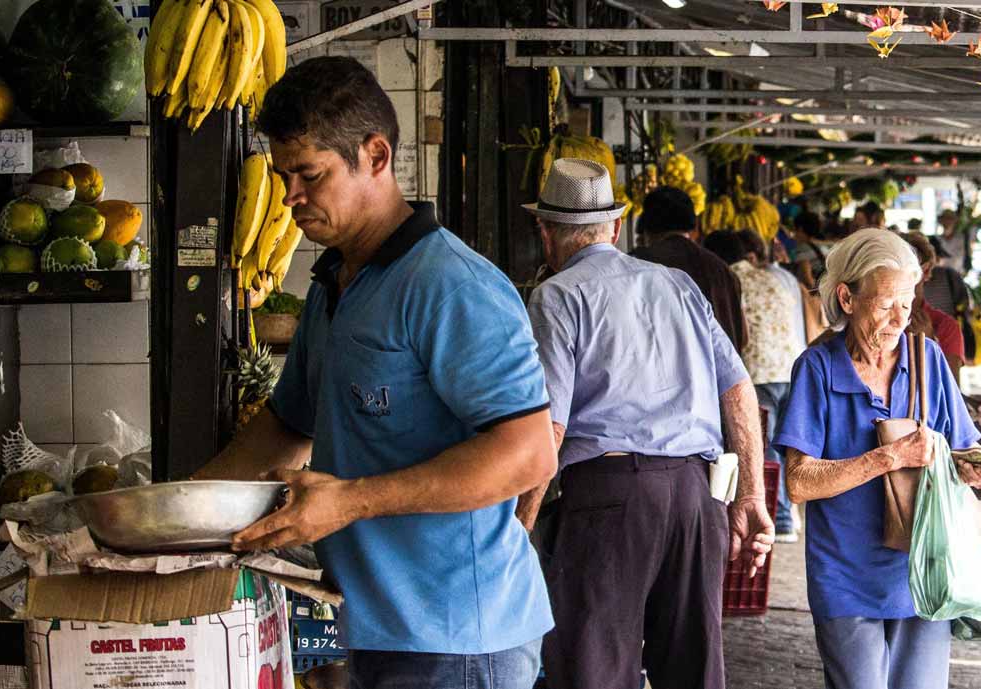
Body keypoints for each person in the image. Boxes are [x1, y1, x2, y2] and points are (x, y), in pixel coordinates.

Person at [195, 57, 557, 689]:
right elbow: (285, 425)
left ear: (377, 155)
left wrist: (352, 502)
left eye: (309, 174)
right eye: (283, 177)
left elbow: (528, 454)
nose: (289, 197)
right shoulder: (334, 280)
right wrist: (179, 512)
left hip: (459, 640)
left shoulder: (451, 285)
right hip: (372, 626)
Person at [519, 159, 773, 689]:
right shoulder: (677, 285)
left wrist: (519, 526)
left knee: (595, 671)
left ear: (545, 231)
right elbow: (738, 389)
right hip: (698, 498)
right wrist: (750, 493)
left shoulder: (557, 295)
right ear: (615, 227)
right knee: (692, 670)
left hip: (610, 500)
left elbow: (551, 427)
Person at [773, 228, 981, 689]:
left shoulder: (928, 360)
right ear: (846, 297)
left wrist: (972, 467)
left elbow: (959, 448)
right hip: (845, 576)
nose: (900, 317)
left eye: (907, 300)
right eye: (884, 303)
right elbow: (799, 482)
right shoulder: (817, 369)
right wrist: (888, 457)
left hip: (924, 569)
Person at [706, 229, 807, 541]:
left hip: (758, 374)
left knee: (760, 450)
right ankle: (789, 514)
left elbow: (742, 335)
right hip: (791, 368)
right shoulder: (773, 277)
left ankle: (782, 520)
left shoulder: (727, 281)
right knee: (787, 446)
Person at [632, 186, 748, 353]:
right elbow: (743, 337)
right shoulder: (722, 269)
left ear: (645, 227)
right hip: (722, 375)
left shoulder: (640, 264)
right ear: (693, 227)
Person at [902, 232, 966, 379]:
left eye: (911, 270)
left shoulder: (945, 327)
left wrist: (929, 344)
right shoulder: (879, 320)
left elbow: (951, 393)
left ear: (926, 271)